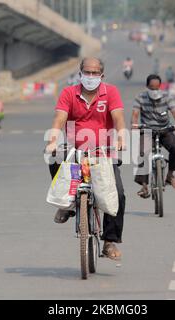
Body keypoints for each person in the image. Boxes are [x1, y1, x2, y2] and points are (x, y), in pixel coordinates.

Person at [45, 57, 126, 260]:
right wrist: (53, 140)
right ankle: (66, 205)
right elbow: (59, 119)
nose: (90, 76)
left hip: (104, 152)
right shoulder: (68, 93)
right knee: (53, 158)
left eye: (94, 73)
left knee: (118, 193)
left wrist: (122, 137)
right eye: (87, 72)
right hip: (75, 152)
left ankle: (109, 241)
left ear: (102, 75)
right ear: (80, 73)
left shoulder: (111, 93)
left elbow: (118, 119)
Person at [132, 74, 175, 198]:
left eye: (156, 87)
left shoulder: (167, 97)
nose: (154, 90)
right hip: (147, 130)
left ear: (160, 87)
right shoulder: (140, 97)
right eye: (151, 87)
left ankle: (170, 175)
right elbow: (135, 113)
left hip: (165, 129)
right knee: (142, 152)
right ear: (147, 86)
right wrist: (134, 125)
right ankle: (144, 185)